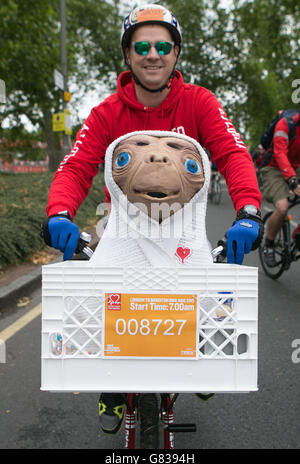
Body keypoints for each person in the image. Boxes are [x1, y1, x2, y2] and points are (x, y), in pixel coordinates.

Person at [41, 4, 263, 434]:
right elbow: (76, 166)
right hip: (122, 227)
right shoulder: (106, 112)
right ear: (128, 55)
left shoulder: (200, 102)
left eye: (163, 45)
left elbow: (233, 155)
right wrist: (59, 214)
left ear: (176, 53)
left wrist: (249, 212)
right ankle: (111, 388)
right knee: (101, 297)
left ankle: (201, 356)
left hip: (184, 230)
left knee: (210, 293)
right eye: (141, 46)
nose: (152, 54)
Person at [260, 109, 300, 267]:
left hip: (296, 166)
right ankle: (269, 245)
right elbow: (280, 152)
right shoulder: (285, 124)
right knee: (282, 207)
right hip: (274, 167)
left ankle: (297, 235)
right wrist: (291, 180)